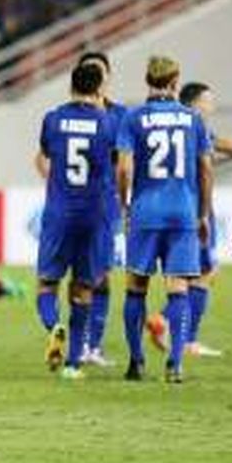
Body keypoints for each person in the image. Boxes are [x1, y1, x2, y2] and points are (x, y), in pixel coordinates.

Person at [116, 56, 213, 383]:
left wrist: (125, 205)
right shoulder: (192, 118)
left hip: (146, 211)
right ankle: (174, 364)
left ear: (148, 80)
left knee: (136, 289)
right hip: (183, 212)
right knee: (179, 289)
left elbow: (125, 168)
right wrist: (203, 213)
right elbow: (206, 168)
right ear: (175, 82)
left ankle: (137, 361)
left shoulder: (133, 118)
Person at [145, 82, 232, 357]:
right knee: (203, 272)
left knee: (194, 272)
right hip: (195, 207)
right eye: (208, 101)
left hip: (168, 203)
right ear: (194, 103)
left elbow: (211, 158)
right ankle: (178, 331)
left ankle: (177, 331)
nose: (213, 106)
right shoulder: (194, 123)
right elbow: (230, 145)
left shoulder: (178, 127)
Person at [35, 62, 116, 380]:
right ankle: (72, 364)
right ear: (99, 89)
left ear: (71, 86)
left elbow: (46, 154)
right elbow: (114, 163)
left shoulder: (53, 120)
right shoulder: (107, 124)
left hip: (59, 213)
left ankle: (54, 324)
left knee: (47, 283)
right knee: (83, 289)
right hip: (93, 215)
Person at [74, 51, 128, 367]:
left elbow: (124, 161)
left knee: (103, 274)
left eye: (100, 71)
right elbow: (43, 157)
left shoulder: (119, 116)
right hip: (73, 205)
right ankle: (76, 343)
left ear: (107, 77)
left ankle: (92, 346)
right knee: (78, 277)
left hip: (105, 205)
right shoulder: (67, 115)